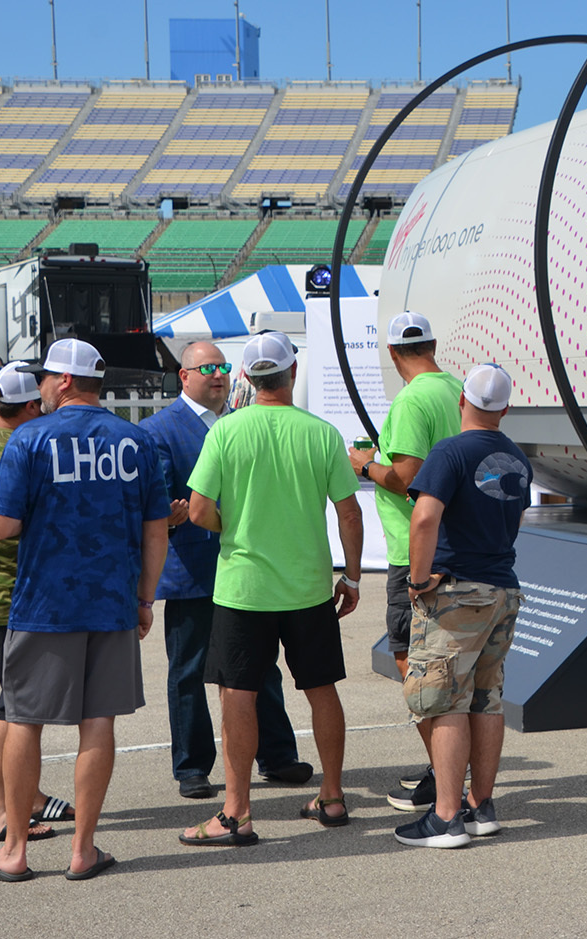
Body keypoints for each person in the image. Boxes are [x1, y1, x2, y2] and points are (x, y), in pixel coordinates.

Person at [0, 338, 170, 882]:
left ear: (61, 382)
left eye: (43, 379)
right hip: (111, 603)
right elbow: (157, 532)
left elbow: (1, 526)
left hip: (43, 602)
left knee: (23, 720)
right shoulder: (136, 440)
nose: (39, 388)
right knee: (97, 723)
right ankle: (83, 849)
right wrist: (144, 599)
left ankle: (13, 850)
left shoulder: (30, 439)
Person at [179, 331, 363, 847]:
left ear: (245, 379)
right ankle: (331, 795)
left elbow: (196, 510)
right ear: (293, 374)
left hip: (244, 588)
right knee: (320, 688)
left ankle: (236, 812)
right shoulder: (322, 433)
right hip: (307, 588)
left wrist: (233, 525)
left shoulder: (226, 432)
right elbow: (348, 512)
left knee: (238, 694)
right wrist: (350, 575)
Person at [139, 342, 313, 800]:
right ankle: (193, 766)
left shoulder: (241, 423)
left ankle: (276, 755)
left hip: (248, 569)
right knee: (191, 671)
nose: (217, 375)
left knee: (261, 668)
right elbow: (153, 502)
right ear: (184, 376)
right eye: (206, 368)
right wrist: (170, 514)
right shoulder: (158, 430)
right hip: (192, 570)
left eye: (222, 367)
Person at [395, 363, 533, 849]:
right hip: (503, 588)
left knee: (444, 699)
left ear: (462, 401)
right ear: (506, 408)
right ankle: (480, 806)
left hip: (457, 592)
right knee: (487, 698)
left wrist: (417, 579)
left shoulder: (450, 450)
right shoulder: (517, 458)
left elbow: (424, 517)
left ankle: (447, 817)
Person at [345, 312, 462, 810]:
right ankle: (453, 766)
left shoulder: (413, 399)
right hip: (459, 543)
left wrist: (365, 465)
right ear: (433, 345)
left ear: (392, 354)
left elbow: (407, 476)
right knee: (453, 667)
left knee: (414, 666)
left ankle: (445, 772)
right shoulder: (455, 387)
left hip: (412, 548)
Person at [0, 361, 77, 845]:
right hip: (15, 595)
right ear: (30, 406)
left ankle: (23, 796)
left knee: (12, 706)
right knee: (17, 711)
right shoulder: (18, 447)